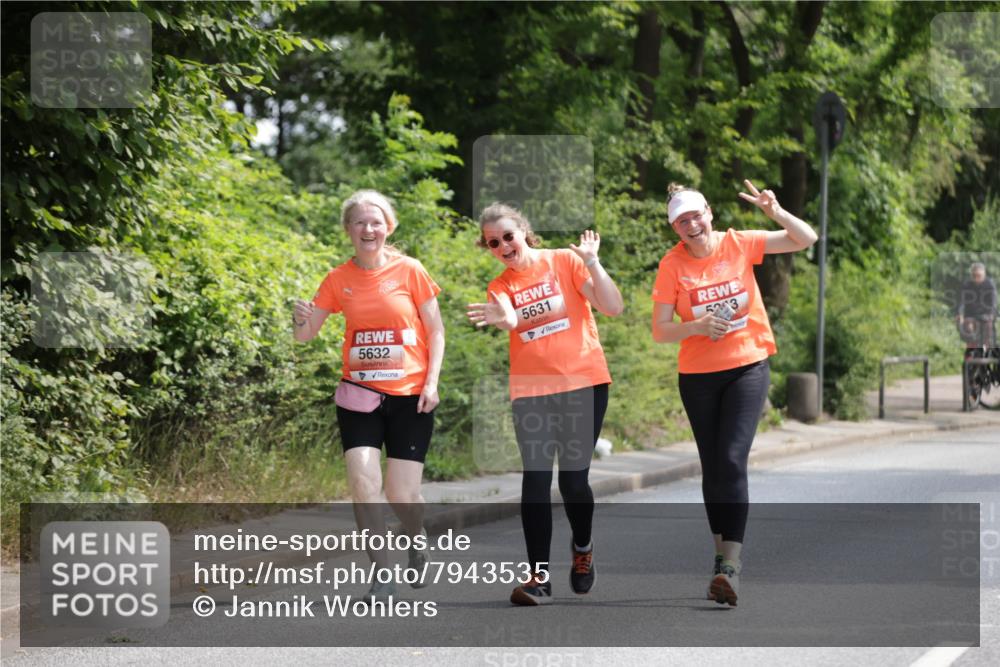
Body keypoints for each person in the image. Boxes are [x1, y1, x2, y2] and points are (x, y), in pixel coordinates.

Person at [651, 180, 817, 607]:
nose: (692, 224)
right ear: (675, 228)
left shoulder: (739, 243)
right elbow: (660, 329)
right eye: (682, 220)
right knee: (712, 467)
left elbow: (806, 239)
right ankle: (720, 558)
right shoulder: (672, 266)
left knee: (730, 458)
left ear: (709, 212)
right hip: (698, 375)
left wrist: (775, 211)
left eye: (696, 215)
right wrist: (696, 327)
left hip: (748, 364)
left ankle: (732, 564)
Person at [466, 203, 624, 606]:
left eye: (507, 236)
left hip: (583, 383)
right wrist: (503, 318)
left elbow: (612, 306)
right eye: (493, 243)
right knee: (535, 481)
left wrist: (594, 264)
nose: (502, 246)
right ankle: (538, 579)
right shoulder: (499, 287)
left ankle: (583, 548)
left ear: (524, 232)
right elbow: (511, 321)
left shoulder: (565, 262)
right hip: (531, 391)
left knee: (573, 482)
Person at [293, 189, 445, 602]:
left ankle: (416, 538)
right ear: (348, 230)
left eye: (376, 221)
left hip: (410, 398)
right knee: (363, 483)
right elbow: (306, 335)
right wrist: (299, 320)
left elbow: (436, 331)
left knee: (401, 495)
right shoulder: (338, 279)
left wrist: (431, 383)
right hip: (358, 396)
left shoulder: (410, 270)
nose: (368, 228)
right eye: (359, 222)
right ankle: (382, 574)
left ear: (388, 227)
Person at [956, 262, 997, 350]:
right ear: (971, 275)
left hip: (986, 315)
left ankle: (986, 348)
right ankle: (972, 349)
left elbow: (993, 304)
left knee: (988, 324)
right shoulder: (967, 285)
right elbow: (961, 302)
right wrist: (960, 314)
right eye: (974, 275)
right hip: (971, 315)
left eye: (979, 275)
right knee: (967, 325)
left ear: (984, 275)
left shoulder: (989, 285)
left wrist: (991, 315)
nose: (976, 278)